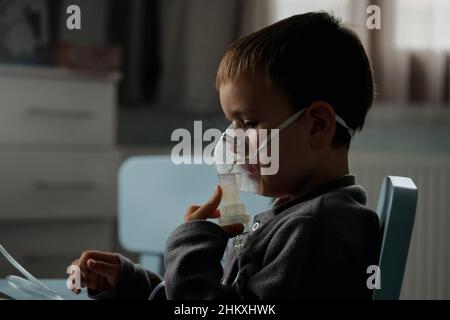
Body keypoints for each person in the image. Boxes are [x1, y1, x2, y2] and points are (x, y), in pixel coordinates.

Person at [69, 12, 380, 300]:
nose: (233, 141)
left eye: (248, 123)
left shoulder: (314, 228)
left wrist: (190, 245)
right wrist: (130, 283)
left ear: (317, 126)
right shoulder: (299, 212)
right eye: (233, 124)